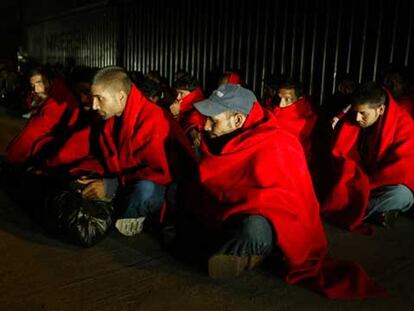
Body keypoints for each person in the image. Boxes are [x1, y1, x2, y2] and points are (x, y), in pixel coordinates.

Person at [177, 83, 384, 299]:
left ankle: (254, 251)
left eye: (213, 120)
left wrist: (248, 202)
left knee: (253, 230)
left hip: (267, 217)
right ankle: (242, 254)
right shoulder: (217, 139)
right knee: (182, 193)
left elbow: (289, 204)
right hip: (231, 210)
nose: (206, 126)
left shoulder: (279, 144)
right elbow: (211, 184)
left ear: (237, 120)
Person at [90, 66, 196, 236]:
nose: (94, 105)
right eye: (93, 98)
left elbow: (163, 173)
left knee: (144, 191)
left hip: (166, 189)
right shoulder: (110, 118)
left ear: (121, 96)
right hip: (129, 180)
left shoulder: (153, 119)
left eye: (99, 98)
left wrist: (112, 185)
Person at [321, 82, 414, 230]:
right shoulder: (351, 119)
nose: (357, 118)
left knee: (402, 195)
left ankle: (348, 211)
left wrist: (368, 185)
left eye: (363, 113)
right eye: (356, 112)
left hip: (380, 183)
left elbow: (402, 168)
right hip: (356, 180)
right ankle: (376, 214)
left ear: (381, 109)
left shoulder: (404, 124)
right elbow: (340, 157)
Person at [6, 67, 79, 167]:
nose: (36, 89)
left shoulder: (60, 97)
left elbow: (40, 129)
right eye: (33, 85)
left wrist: (12, 157)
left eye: (40, 83)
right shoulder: (48, 92)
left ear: (51, 80)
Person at [270, 78, 318, 162]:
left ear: (299, 99)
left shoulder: (308, 120)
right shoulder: (274, 111)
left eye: (287, 99)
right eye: (280, 98)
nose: (281, 104)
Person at [169, 72, 205, 149]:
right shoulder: (187, 110)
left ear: (193, 94)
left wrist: (175, 115)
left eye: (181, 93)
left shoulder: (197, 113)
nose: (178, 97)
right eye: (177, 93)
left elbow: (193, 127)